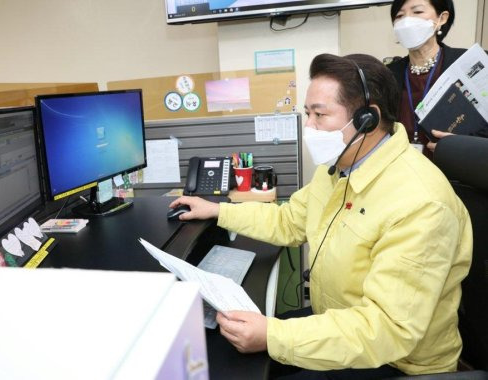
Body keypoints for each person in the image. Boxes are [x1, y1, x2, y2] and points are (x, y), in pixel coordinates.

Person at [170, 53, 472, 379]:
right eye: (307, 113)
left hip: (397, 360)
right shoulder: (338, 170)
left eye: (320, 115)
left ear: (367, 119)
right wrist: (218, 211)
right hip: (341, 322)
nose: (309, 126)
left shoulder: (421, 202)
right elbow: (290, 221)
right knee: (226, 353)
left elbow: (388, 329)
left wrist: (272, 335)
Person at [387, 0, 488, 157]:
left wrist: (464, 145)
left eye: (417, 12)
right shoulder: (388, 74)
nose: (406, 21)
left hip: (457, 173)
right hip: (403, 172)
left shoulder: (470, 61)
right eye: (399, 15)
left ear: (442, 18)